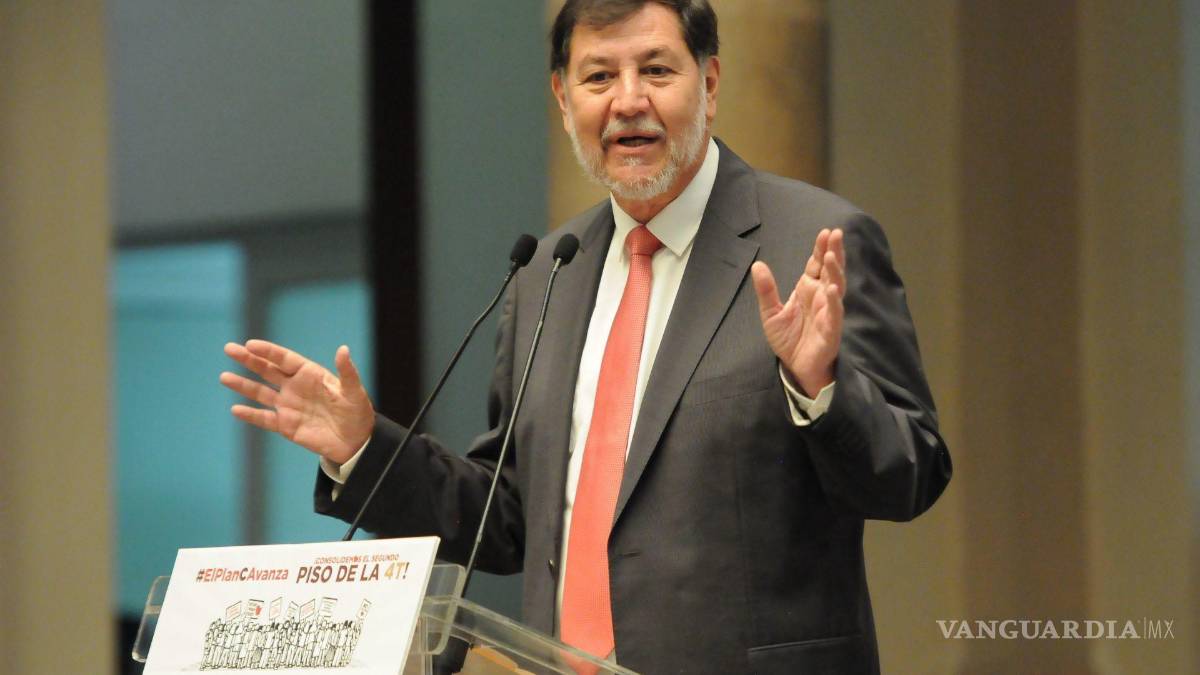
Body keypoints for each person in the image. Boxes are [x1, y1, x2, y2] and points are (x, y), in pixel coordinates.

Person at [220, 1, 951, 672]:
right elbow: (509, 515)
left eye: (656, 70)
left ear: (709, 83)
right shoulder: (548, 271)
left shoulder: (813, 241)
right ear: (564, 100)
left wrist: (820, 388)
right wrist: (363, 448)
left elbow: (910, 476)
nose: (628, 100)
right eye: (599, 76)